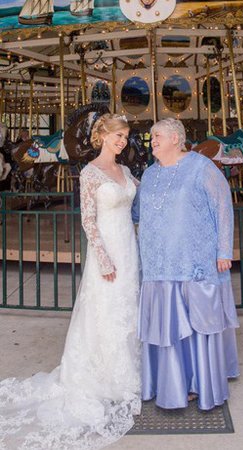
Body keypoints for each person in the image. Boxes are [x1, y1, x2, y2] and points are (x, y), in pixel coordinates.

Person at [0, 113, 141, 449]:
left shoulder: (127, 171)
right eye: (117, 136)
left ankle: (129, 372)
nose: (122, 142)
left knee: (128, 309)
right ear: (102, 136)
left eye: (125, 137)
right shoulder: (90, 173)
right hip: (107, 250)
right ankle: (104, 377)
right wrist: (103, 256)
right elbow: (88, 219)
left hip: (130, 248)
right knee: (104, 311)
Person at [134, 118, 239, 410]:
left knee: (196, 324)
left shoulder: (201, 167)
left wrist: (223, 250)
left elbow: (223, 206)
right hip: (157, 263)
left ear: (176, 139)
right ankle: (166, 381)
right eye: (152, 136)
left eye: (157, 136)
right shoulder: (150, 174)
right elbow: (137, 212)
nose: (152, 141)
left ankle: (197, 382)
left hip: (194, 258)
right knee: (166, 326)